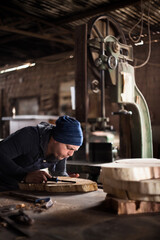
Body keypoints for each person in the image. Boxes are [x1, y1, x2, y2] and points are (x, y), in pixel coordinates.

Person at [0, 115, 83, 191]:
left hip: (19, 189)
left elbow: (59, 173)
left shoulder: (60, 153)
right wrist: (24, 176)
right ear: (55, 139)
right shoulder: (28, 137)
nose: (71, 154)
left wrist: (66, 181)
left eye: (74, 150)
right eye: (69, 148)